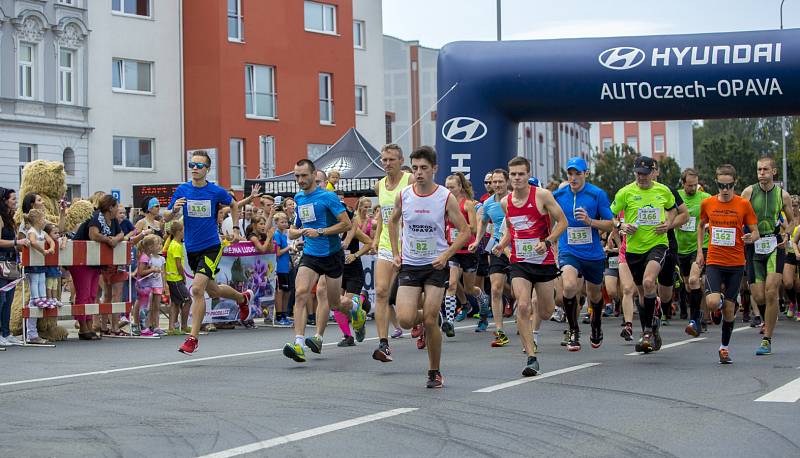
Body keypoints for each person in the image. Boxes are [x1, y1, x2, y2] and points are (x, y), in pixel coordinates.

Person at [388, 146, 470, 388]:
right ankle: (427, 316)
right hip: (411, 264)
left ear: (434, 169)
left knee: (431, 319)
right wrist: (395, 253)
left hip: (436, 264)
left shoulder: (445, 197)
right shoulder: (404, 195)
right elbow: (392, 222)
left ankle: (434, 371)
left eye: (424, 168)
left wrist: (447, 254)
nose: (419, 173)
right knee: (404, 320)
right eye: (415, 168)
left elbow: (465, 231)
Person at [170, 150, 252, 354]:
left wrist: (234, 228)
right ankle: (243, 298)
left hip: (211, 246)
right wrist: (172, 211)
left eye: (199, 166)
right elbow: (165, 217)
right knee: (212, 290)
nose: (194, 169)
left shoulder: (215, 191)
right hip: (191, 248)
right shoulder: (183, 190)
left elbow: (233, 204)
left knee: (197, 289)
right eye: (192, 165)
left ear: (207, 169)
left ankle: (193, 339)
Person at [493, 156, 567, 376]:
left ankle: (541, 316)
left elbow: (562, 222)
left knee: (545, 311)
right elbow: (511, 228)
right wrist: (502, 244)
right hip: (519, 262)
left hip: (542, 261)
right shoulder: (505, 202)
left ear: (528, 175)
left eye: (521, 174)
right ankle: (531, 356)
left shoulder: (542, 196)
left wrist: (547, 241)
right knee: (523, 305)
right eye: (513, 174)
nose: (517, 178)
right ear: (509, 177)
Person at [282, 159, 357, 363]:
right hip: (311, 255)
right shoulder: (298, 198)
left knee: (334, 303)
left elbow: (346, 224)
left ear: (314, 175)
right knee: (300, 293)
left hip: (332, 255)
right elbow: (293, 229)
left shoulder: (328, 197)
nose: (300, 180)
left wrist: (321, 231)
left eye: (304, 175)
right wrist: (299, 232)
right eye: (297, 176)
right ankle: (298, 343)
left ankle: (356, 308)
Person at [610, 156, 677, 354]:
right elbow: (610, 213)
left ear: (653, 173)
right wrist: (621, 225)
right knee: (642, 294)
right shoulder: (625, 192)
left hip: (657, 244)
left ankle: (647, 330)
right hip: (633, 250)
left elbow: (673, 210)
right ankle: (652, 328)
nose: (641, 177)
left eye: (645, 174)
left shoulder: (662, 190)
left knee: (649, 283)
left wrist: (668, 223)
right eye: (638, 173)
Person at [696, 164, 759, 363]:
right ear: (716, 183)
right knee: (712, 302)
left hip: (736, 262)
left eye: (729, 186)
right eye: (721, 185)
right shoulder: (708, 203)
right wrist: (700, 250)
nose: (724, 190)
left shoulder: (743, 205)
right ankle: (719, 301)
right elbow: (700, 225)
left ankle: (724, 348)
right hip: (714, 259)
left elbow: (756, 231)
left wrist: (752, 237)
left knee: (729, 311)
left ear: (735, 183)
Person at [552, 157, 615, 351]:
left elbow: (610, 223)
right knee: (569, 287)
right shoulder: (558, 195)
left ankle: (596, 324)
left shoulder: (597, 194)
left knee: (594, 294)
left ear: (586, 174)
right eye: (570, 174)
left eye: (577, 173)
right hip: (568, 249)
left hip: (593, 253)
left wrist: (590, 221)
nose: (573, 177)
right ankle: (573, 330)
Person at [740, 156, 794, 356]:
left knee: (771, 292)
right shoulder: (749, 192)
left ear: (774, 172)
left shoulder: (783, 195)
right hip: (754, 245)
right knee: (759, 296)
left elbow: (791, 220)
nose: (761, 173)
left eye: (765, 169)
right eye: (759, 170)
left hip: (774, 244)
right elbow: (739, 216)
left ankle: (767, 339)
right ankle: (768, 317)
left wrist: (786, 233)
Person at [371, 144, 412, 363]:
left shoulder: (410, 181)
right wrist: (376, 237)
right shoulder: (379, 186)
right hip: (387, 244)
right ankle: (383, 343)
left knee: (412, 301)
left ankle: (426, 321)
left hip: (410, 246)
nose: (387, 164)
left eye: (391, 160)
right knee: (381, 292)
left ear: (400, 160)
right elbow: (382, 216)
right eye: (384, 160)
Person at [70, 195, 125, 341]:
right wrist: (108, 239)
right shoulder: (95, 218)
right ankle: (83, 326)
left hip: (95, 262)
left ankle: (89, 324)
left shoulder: (112, 221)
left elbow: (121, 233)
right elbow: (93, 234)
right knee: (83, 294)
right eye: (116, 206)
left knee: (92, 294)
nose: (118, 209)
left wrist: (116, 239)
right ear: (110, 207)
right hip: (81, 260)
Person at [470, 169, 512, 347]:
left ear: (507, 182)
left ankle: (522, 311)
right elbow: (483, 222)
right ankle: (500, 330)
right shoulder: (487, 203)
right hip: (496, 248)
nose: (496, 185)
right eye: (494, 182)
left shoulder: (514, 199)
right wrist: (478, 240)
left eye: (500, 181)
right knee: (495, 289)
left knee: (519, 290)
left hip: (516, 247)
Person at [443, 172, 488, 336]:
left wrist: (459, 225)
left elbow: (474, 229)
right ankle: (450, 322)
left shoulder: (467, 204)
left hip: (468, 250)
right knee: (452, 284)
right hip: (454, 249)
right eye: (447, 187)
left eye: (452, 187)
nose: (449, 190)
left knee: (470, 288)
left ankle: (483, 306)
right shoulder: (445, 204)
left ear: (460, 187)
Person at [675, 169, 712, 337]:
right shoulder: (676, 196)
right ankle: (700, 315)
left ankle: (695, 320)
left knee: (694, 279)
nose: (693, 188)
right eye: (690, 185)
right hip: (681, 248)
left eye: (696, 185)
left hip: (700, 247)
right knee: (690, 286)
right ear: (683, 184)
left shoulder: (705, 198)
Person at [334, 197, 374, 346]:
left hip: (354, 271)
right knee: (336, 304)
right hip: (338, 271)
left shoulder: (353, 230)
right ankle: (348, 336)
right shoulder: (332, 230)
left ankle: (362, 301)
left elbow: (369, 243)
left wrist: (355, 255)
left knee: (347, 304)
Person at [0, 188, 30, 347]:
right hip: (1, 262)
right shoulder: (0, 218)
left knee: (9, 299)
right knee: (2, 299)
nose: (15, 201)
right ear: (4, 200)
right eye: (12, 199)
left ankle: (6, 332)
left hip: (11, 263)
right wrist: (15, 243)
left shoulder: (10, 219)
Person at [23, 208, 55, 344]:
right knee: (35, 283)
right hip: (33, 265)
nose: (45, 221)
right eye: (43, 219)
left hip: (41, 265)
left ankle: (41, 297)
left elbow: (51, 239)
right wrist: (43, 250)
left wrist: (52, 247)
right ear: (36, 220)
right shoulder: (32, 232)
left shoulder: (42, 232)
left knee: (41, 280)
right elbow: (34, 242)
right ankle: (31, 333)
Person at [165, 221, 191, 335]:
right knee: (188, 300)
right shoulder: (176, 245)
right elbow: (178, 264)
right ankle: (184, 326)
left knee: (176, 303)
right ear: (179, 232)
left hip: (172, 278)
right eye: (183, 230)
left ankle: (173, 327)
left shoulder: (175, 244)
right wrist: (183, 276)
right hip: (175, 278)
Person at [271, 212, 292, 326]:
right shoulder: (277, 234)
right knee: (280, 292)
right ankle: (279, 316)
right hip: (279, 268)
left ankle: (284, 314)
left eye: (286, 222)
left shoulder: (284, 235)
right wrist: (289, 247)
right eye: (282, 222)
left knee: (287, 292)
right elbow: (277, 253)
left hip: (285, 268)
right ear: (276, 223)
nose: (284, 224)